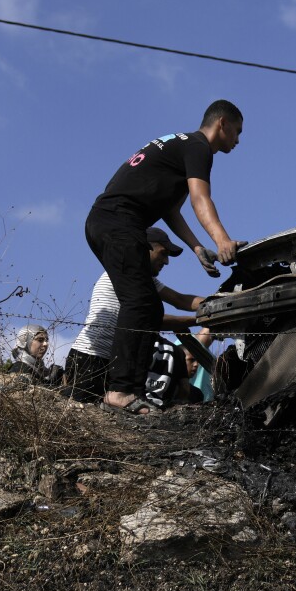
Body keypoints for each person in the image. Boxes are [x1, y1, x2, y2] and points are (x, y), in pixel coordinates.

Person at [84, 101, 242, 415]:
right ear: (222, 123)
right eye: (237, 131)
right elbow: (201, 198)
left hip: (108, 221)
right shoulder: (199, 148)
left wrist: (198, 248)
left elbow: (171, 209)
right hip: (119, 221)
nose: (238, 140)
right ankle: (119, 393)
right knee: (140, 303)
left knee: (149, 305)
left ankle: (130, 390)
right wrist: (222, 240)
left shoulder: (179, 145)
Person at [64, 227, 209, 404]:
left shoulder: (142, 278)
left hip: (109, 361)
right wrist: (199, 319)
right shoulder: (125, 274)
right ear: (145, 247)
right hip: (91, 358)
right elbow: (149, 320)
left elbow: (179, 300)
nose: (166, 261)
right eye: (163, 253)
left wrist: (218, 304)